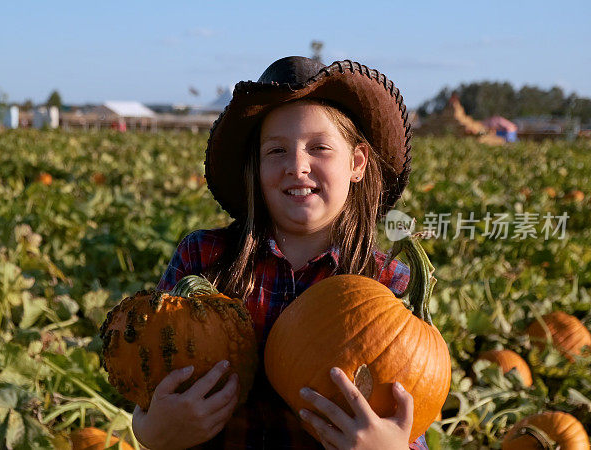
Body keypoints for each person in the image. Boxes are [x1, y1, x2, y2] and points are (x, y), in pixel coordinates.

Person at [131, 56, 426, 449]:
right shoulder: (204, 261)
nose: (297, 166)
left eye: (319, 147)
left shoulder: (391, 285)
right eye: (276, 151)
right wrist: (149, 431)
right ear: (256, 165)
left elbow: (410, 418)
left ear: (357, 163)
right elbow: (152, 378)